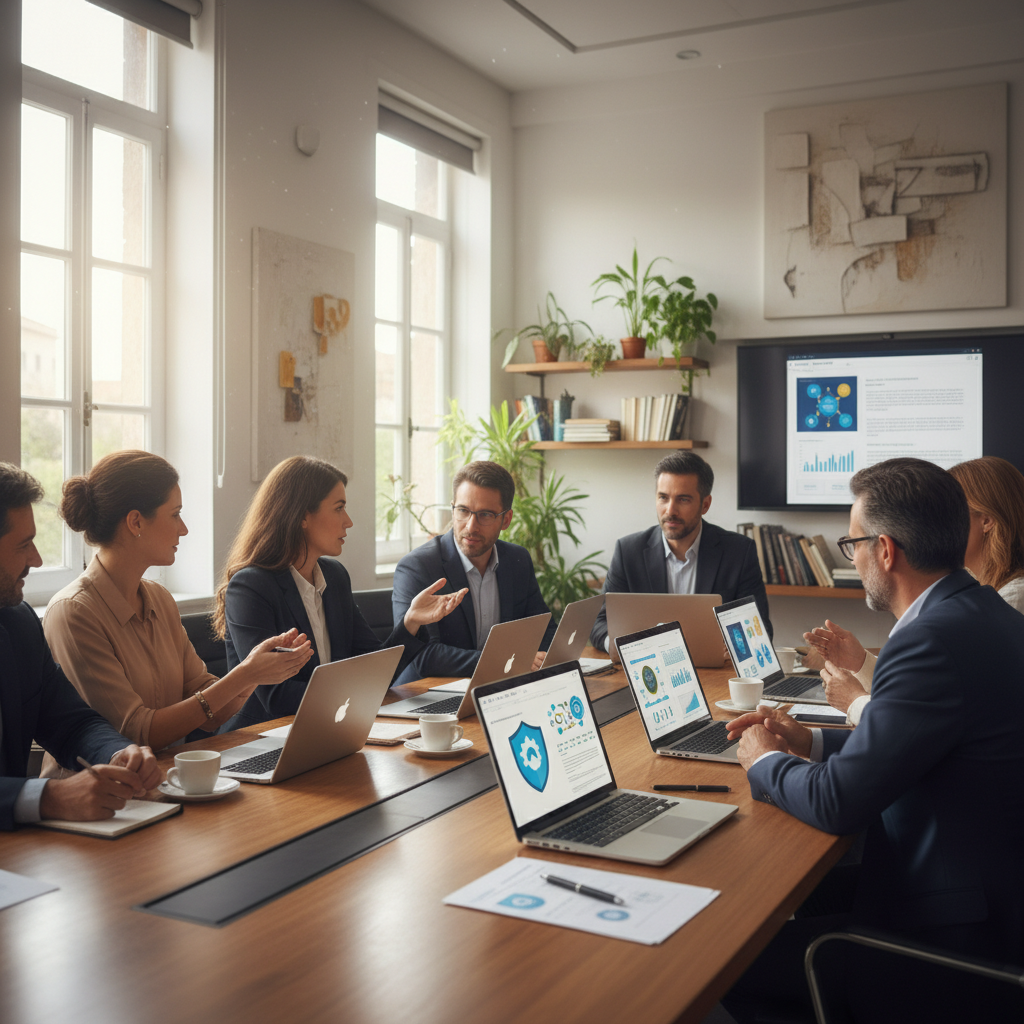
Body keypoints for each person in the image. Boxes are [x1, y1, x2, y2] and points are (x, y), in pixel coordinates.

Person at [723, 458, 1024, 1023]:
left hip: (950, 940)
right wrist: (810, 742)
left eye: (852, 543)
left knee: (725, 967)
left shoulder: (930, 640)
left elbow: (838, 804)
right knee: (800, 896)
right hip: (984, 898)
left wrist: (763, 761)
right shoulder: (982, 612)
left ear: (885, 550)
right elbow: (923, 747)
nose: (853, 558)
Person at [42, 451, 313, 760]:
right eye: (175, 514)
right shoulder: (74, 612)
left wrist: (256, 672)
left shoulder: (159, 598)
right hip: (100, 797)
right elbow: (137, 733)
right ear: (135, 522)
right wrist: (245, 674)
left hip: (169, 777)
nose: (183, 529)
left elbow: (209, 711)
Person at [215, 456, 466, 726]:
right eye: (339, 508)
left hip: (332, 727)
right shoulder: (250, 587)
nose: (348, 521)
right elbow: (276, 696)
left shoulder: (335, 577)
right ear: (301, 517)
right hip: (262, 738)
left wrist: (411, 621)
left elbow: (375, 670)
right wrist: (355, 696)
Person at [0, 463, 161, 829]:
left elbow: (71, 722)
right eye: (23, 545)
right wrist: (48, 796)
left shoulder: (17, 621)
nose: (36, 560)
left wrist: (119, 753)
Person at [804, 455, 1024, 723]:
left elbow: (913, 721)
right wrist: (861, 661)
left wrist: (854, 701)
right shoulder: (977, 593)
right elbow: (923, 695)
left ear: (987, 520)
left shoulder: (1009, 599)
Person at [391, 461, 557, 684]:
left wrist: (542, 658)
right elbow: (424, 656)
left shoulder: (516, 560)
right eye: (463, 511)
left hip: (496, 689)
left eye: (485, 515)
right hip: (428, 695)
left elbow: (543, 627)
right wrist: (504, 663)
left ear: (506, 519)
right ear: (453, 509)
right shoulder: (418, 567)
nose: (471, 526)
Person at [590, 450, 771, 651]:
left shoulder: (738, 552)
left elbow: (760, 628)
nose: (670, 510)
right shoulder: (628, 552)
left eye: (683, 499)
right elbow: (599, 623)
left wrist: (733, 645)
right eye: (663, 498)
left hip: (715, 674)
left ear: (705, 504)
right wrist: (620, 647)